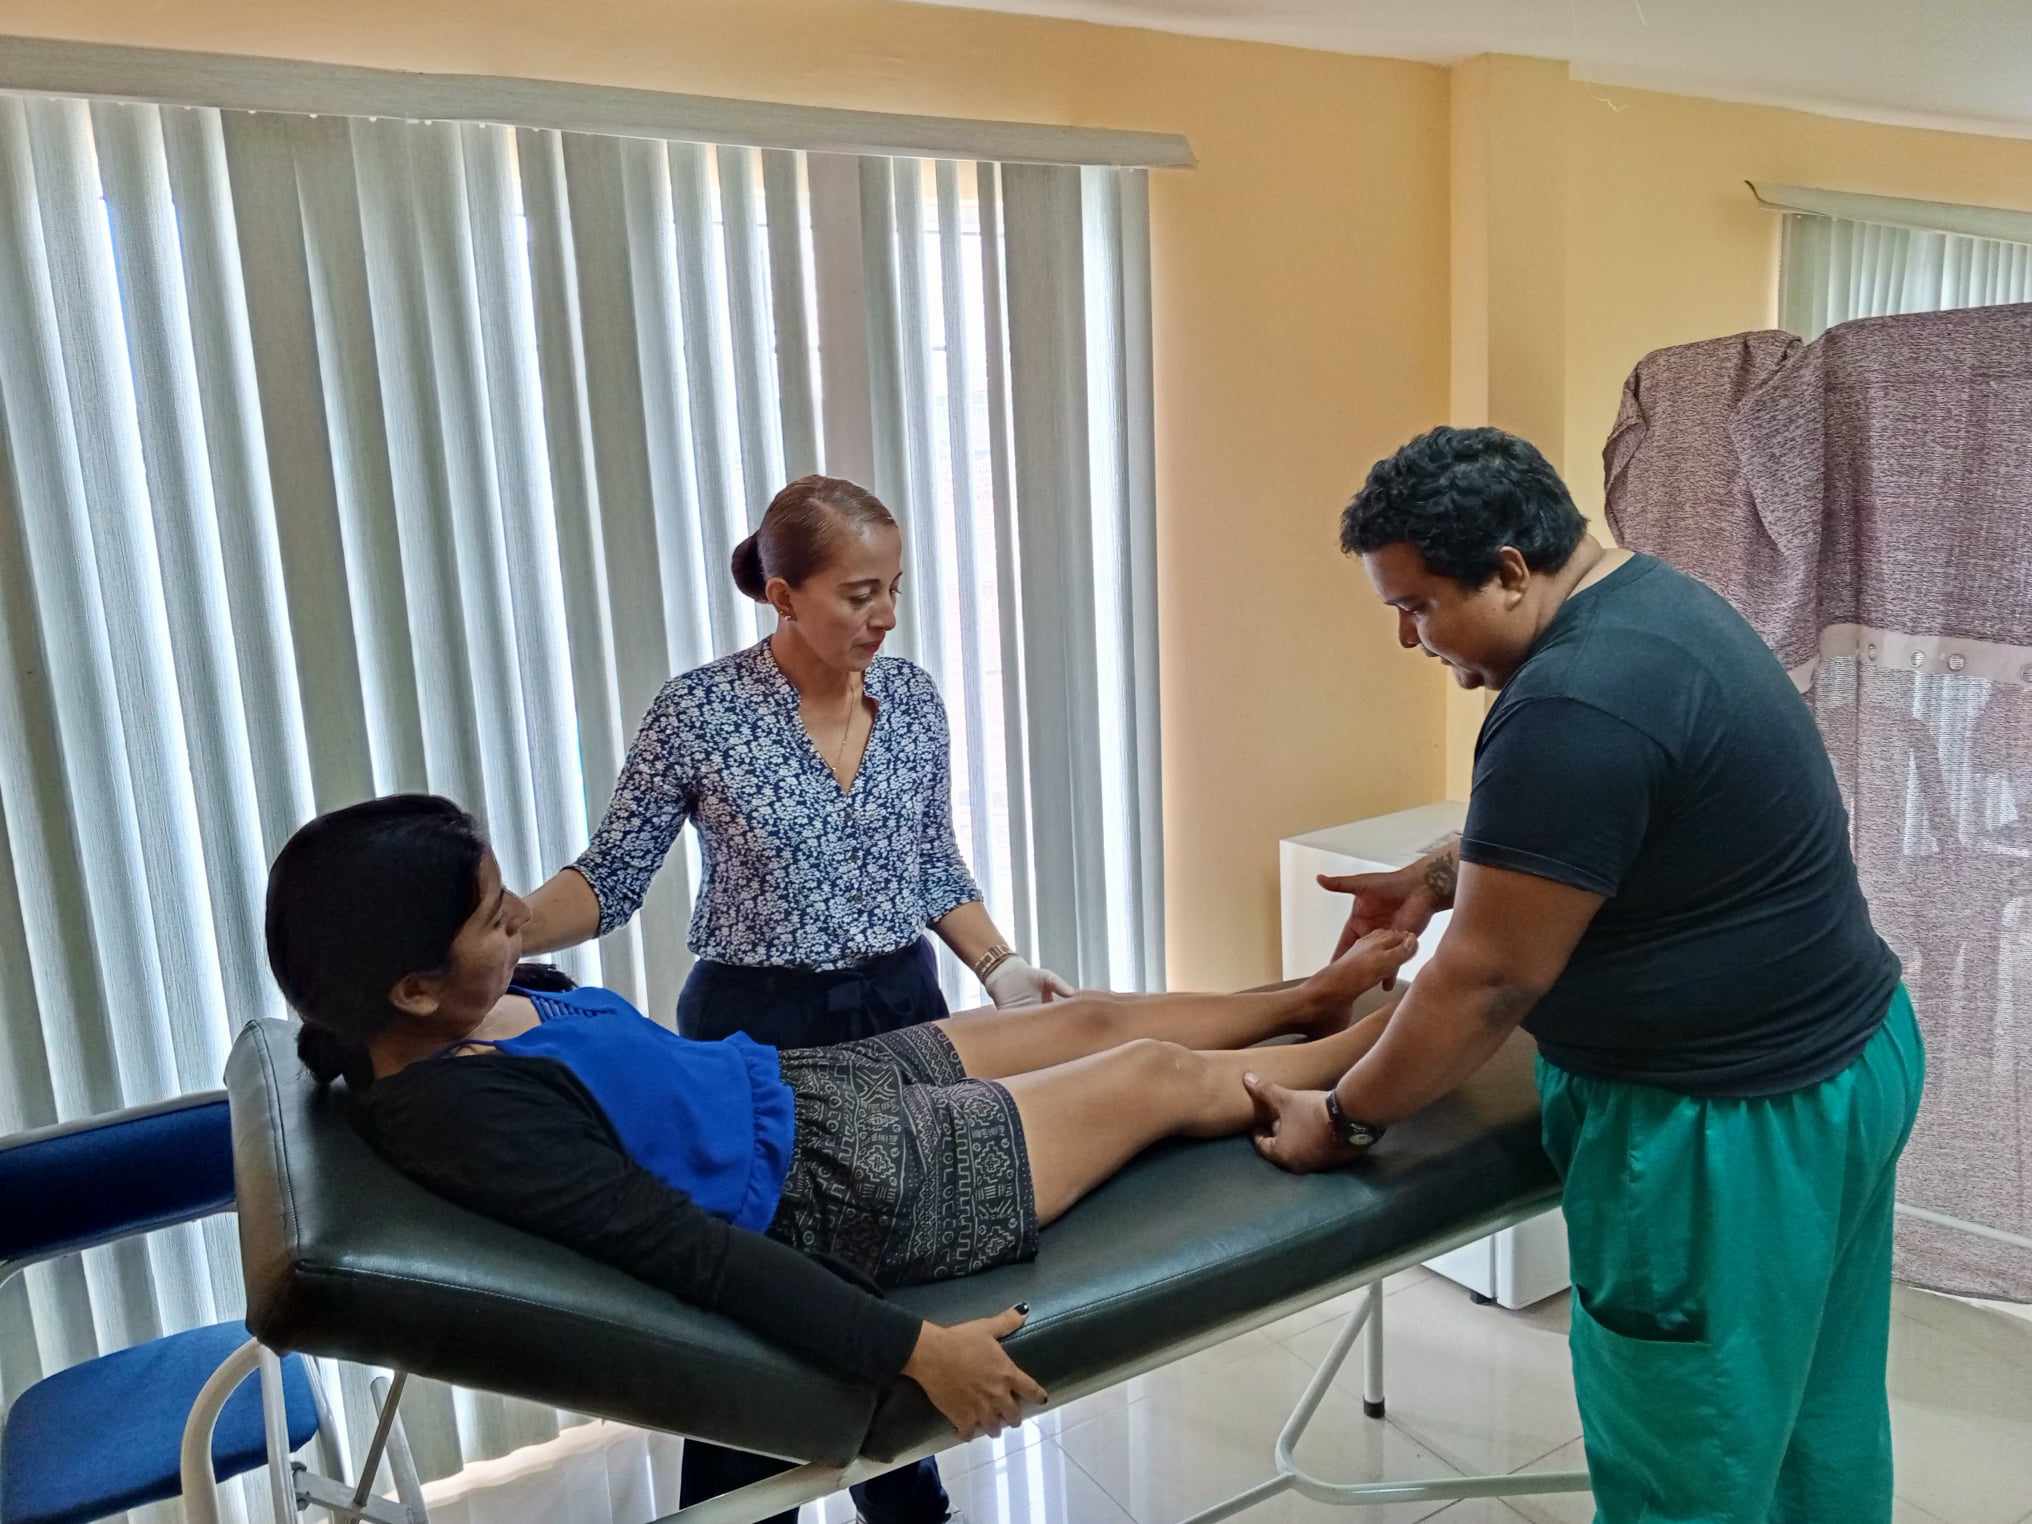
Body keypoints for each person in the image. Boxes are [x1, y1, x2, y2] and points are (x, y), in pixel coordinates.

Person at [266, 795, 1418, 1451]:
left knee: (1083, 1018)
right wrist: (914, 1350)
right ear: (410, 988)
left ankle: (1307, 1000)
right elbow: (684, 1253)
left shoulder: (453, 1009)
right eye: (490, 916)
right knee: (1149, 1074)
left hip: (800, 1086)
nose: (519, 915)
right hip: (842, 1193)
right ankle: (1362, 1058)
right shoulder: (461, 1112)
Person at [1243, 426, 1925, 1524]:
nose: (1408, 638)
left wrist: (1343, 1119)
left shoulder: (1569, 702)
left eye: (1417, 607)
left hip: (1721, 1134)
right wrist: (1442, 873)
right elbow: (1623, 824)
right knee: (1814, 1410)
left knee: (1688, 1464)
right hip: (1849, 1063)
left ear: (1510, 570)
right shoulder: (1657, 605)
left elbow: (1485, 986)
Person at [516, 475, 1069, 1522]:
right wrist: (509, 929)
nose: (885, 615)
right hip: (755, 1028)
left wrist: (1000, 967)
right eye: (859, 594)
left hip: (903, 1006)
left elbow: (930, 861)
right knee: (758, 1307)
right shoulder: (699, 712)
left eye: (894, 588)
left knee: (897, 1282)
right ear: (782, 595)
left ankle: (906, 1503)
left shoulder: (912, 699)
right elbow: (612, 875)